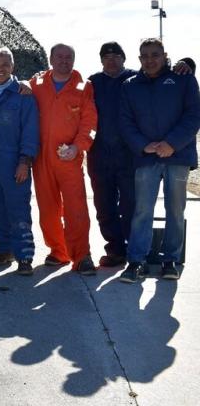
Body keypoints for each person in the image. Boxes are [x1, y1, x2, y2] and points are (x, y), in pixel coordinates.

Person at [119, 39, 200, 283]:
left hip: (178, 155)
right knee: (142, 210)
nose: (150, 59)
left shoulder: (183, 79)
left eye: (155, 55)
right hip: (146, 157)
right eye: (144, 55)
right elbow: (125, 121)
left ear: (165, 56)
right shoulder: (130, 86)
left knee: (175, 210)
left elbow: (194, 115)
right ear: (139, 58)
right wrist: (143, 145)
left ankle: (170, 260)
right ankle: (136, 261)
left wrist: (172, 144)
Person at [30, 44, 98, 275]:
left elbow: (90, 124)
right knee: (47, 210)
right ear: (50, 59)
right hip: (41, 159)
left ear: (74, 60)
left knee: (76, 209)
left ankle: (82, 256)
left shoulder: (83, 87)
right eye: (59, 56)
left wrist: (78, 147)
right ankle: (58, 252)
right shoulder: (36, 84)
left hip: (69, 159)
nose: (64, 61)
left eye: (69, 57)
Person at [0, 48, 39, 275]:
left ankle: (25, 256)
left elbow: (30, 131)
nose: (0, 68)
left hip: (14, 162)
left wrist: (25, 161)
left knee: (18, 209)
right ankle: (4, 250)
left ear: (13, 67)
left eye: (5, 64)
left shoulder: (23, 94)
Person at [87, 42, 137, 267]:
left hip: (129, 155)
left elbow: (165, 77)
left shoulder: (137, 79)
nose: (111, 60)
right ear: (101, 60)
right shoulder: (93, 82)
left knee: (131, 205)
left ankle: (134, 249)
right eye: (106, 56)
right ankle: (115, 249)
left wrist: (186, 64)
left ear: (123, 58)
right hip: (99, 154)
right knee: (104, 205)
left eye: (116, 55)